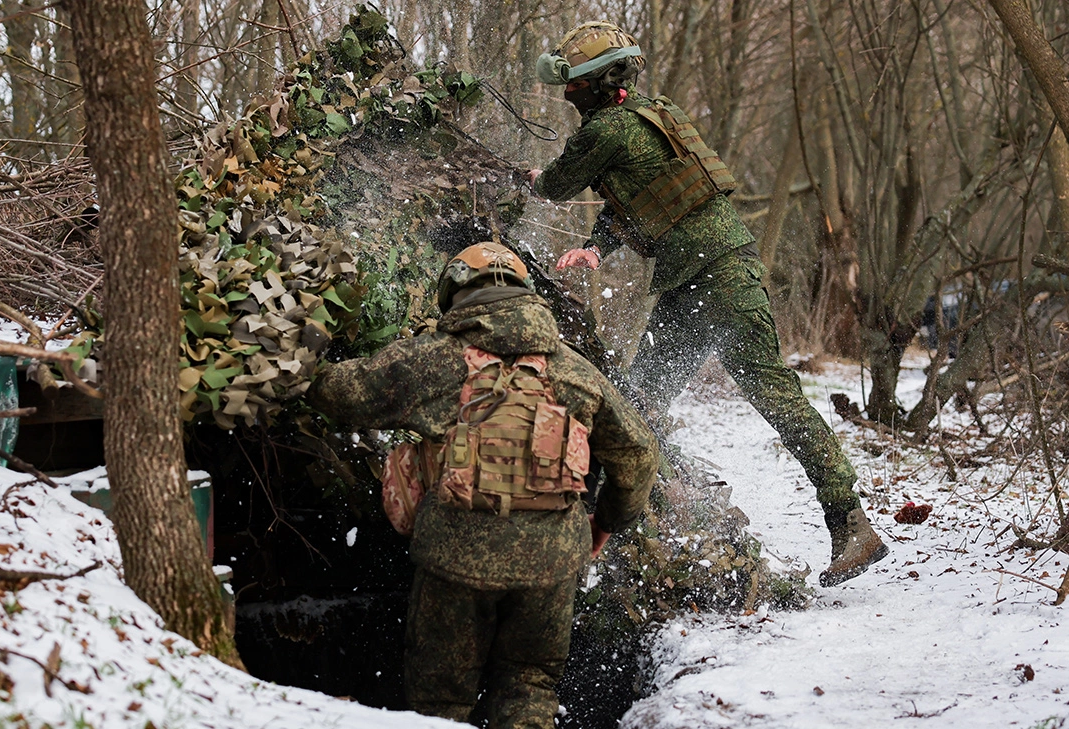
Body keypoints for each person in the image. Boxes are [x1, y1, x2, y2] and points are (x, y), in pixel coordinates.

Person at [528, 21, 886, 587]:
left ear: (596, 84)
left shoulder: (606, 130)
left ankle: (848, 521)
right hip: (704, 276)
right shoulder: (654, 114)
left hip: (713, 281)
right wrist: (597, 248)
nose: (567, 93)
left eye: (572, 84)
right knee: (640, 402)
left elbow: (553, 185)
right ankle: (645, 522)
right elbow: (642, 198)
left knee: (744, 401)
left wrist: (522, 177)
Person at [306, 241, 659, 728]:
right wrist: (606, 522)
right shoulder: (574, 369)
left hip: (455, 558)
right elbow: (639, 453)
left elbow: (339, 392)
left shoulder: (435, 359)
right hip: (550, 563)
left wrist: (304, 344)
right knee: (529, 686)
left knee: (440, 699)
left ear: (455, 292)